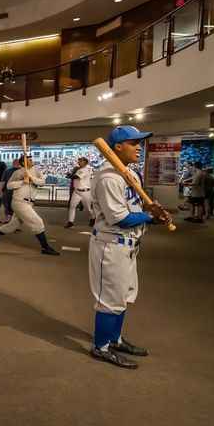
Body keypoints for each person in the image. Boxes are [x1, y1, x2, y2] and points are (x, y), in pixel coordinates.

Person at [88, 125, 172, 369]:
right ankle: (101, 346)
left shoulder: (129, 174)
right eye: (134, 143)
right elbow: (120, 218)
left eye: (139, 142)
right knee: (109, 300)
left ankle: (115, 339)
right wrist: (151, 218)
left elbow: (134, 208)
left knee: (123, 297)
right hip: (110, 244)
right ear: (118, 147)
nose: (139, 147)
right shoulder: (108, 178)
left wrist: (149, 209)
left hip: (128, 245)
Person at [0, 156, 59, 256]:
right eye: (29, 160)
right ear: (23, 163)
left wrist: (31, 178)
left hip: (29, 203)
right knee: (38, 222)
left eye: (31, 160)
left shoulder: (36, 170)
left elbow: (42, 182)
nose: (32, 161)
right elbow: (9, 185)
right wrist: (22, 181)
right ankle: (45, 247)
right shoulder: (18, 172)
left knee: (12, 226)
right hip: (19, 202)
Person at [66, 157, 95, 228]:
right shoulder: (80, 169)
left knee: (88, 209)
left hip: (85, 192)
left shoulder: (85, 169)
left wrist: (69, 175)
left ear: (85, 162)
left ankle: (93, 218)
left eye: (80, 161)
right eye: (79, 161)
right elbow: (74, 176)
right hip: (76, 191)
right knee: (72, 206)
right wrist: (70, 175)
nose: (78, 162)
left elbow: (75, 177)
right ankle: (70, 222)